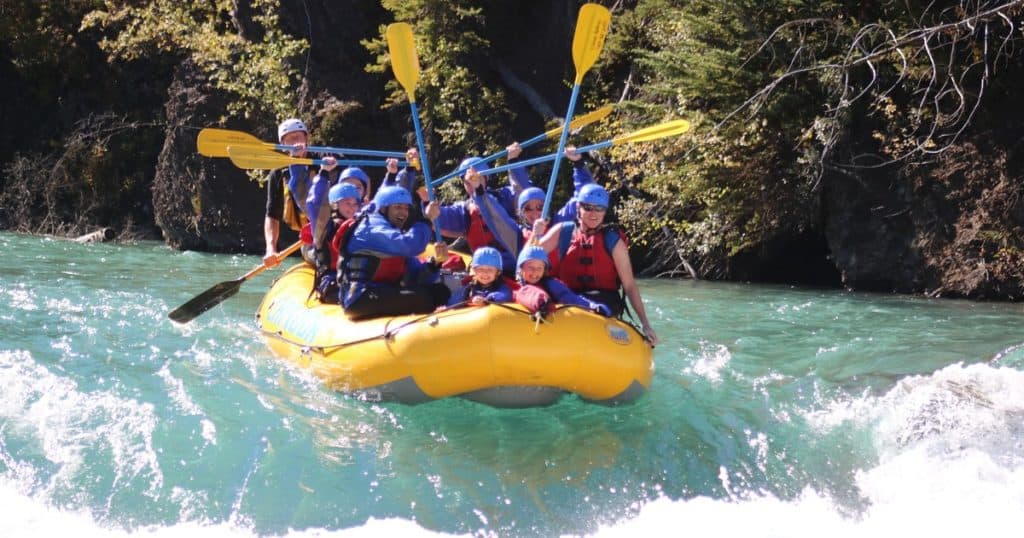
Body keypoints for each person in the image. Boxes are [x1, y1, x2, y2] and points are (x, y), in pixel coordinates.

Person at [531, 184, 659, 345]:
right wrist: (535, 235)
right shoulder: (563, 231)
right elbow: (528, 258)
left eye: (599, 208)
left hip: (603, 300)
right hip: (568, 296)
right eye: (588, 207)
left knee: (586, 315)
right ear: (579, 208)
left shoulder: (613, 240)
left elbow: (629, 285)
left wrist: (646, 324)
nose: (594, 213)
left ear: (605, 211)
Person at [337, 185, 451, 320]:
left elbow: (415, 277)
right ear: (383, 209)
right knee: (424, 298)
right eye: (397, 207)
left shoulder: (394, 234)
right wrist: (426, 220)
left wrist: (434, 263)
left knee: (440, 291)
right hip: (360, 297)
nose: (403, 213)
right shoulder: (370, 228)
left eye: (406, 208)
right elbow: (411, 245)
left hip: (383, 292)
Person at [263, 118, 341, 267]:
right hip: (310, 237)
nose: (296, 142)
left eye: (299, 136)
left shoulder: (322, 157)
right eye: (291, 139)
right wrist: (271, 248)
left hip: (336, 226)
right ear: (283, 145)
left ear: (307, 138)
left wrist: (335, 161)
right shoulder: (279, 172)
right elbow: (272, 215)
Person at [304, 181, 363, 302]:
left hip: (356, 280)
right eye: (347, 203)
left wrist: (392, 175)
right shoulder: (326, 228)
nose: (352, 207)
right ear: (335, 205)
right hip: (332, 281)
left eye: (355, 204)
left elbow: (385, 204)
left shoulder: (362, 225)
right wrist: (323, 174)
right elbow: (314, 204)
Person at [513, 245, 611, 317]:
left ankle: (541, 304)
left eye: (539, 268)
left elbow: (570, 298)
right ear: (521, 269)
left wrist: (593, 306)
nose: (535, 272)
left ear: (544, 270)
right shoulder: (513, 286)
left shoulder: (550, 284)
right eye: (530, 267)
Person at [447, 246, 513, 307]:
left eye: (490, 270)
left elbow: (505, 295)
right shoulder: (469, 287)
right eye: (480, 269)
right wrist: (447, 308)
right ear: (474, 271)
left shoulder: (501, 286)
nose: (485, 273)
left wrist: (486, 300)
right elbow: (454, 299)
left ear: (498, 272)